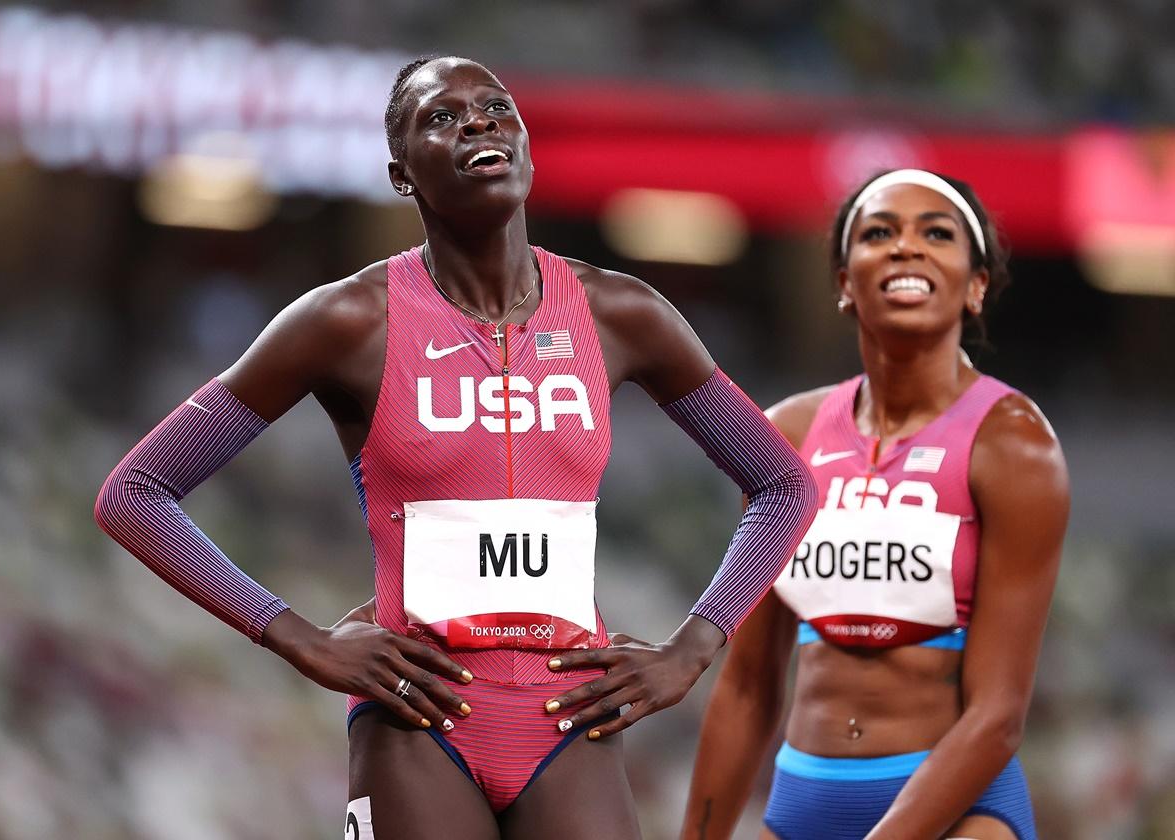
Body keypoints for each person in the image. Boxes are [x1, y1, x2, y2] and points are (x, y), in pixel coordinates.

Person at [94, 56, 817, 839]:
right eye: (441, 117)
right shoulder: (348, 321)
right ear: (401, 174)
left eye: (497, 108)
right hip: (419, 720)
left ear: (527, 146)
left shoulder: (620, 314)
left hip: (568, 715)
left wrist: (692, 648)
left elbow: (785, 485)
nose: (477, 122)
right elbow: (135, 494)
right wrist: (300, 640)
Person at [679, 170, 1069, 840]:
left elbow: (999, 715)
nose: (905, 248)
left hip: (957, 811)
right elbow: (746, 688)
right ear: (842, 282)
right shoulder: (785, 439)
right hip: (803, 800)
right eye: (880, 232)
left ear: (976, 286)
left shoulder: (1015, 445)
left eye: (937, 234)